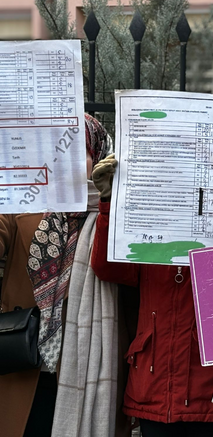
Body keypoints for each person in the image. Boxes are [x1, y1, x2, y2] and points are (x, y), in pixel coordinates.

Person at [90, 148, 213, 437]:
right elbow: (110, 269)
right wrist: (109, 203)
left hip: (209, 391)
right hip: (153, 388)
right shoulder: (144, 223)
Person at [0, 114, 113, 437]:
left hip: (86, 369)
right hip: (24, 366)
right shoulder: (20, 203)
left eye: (79, 151)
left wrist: (107, 207)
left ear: (98, 156)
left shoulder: (113, 213)